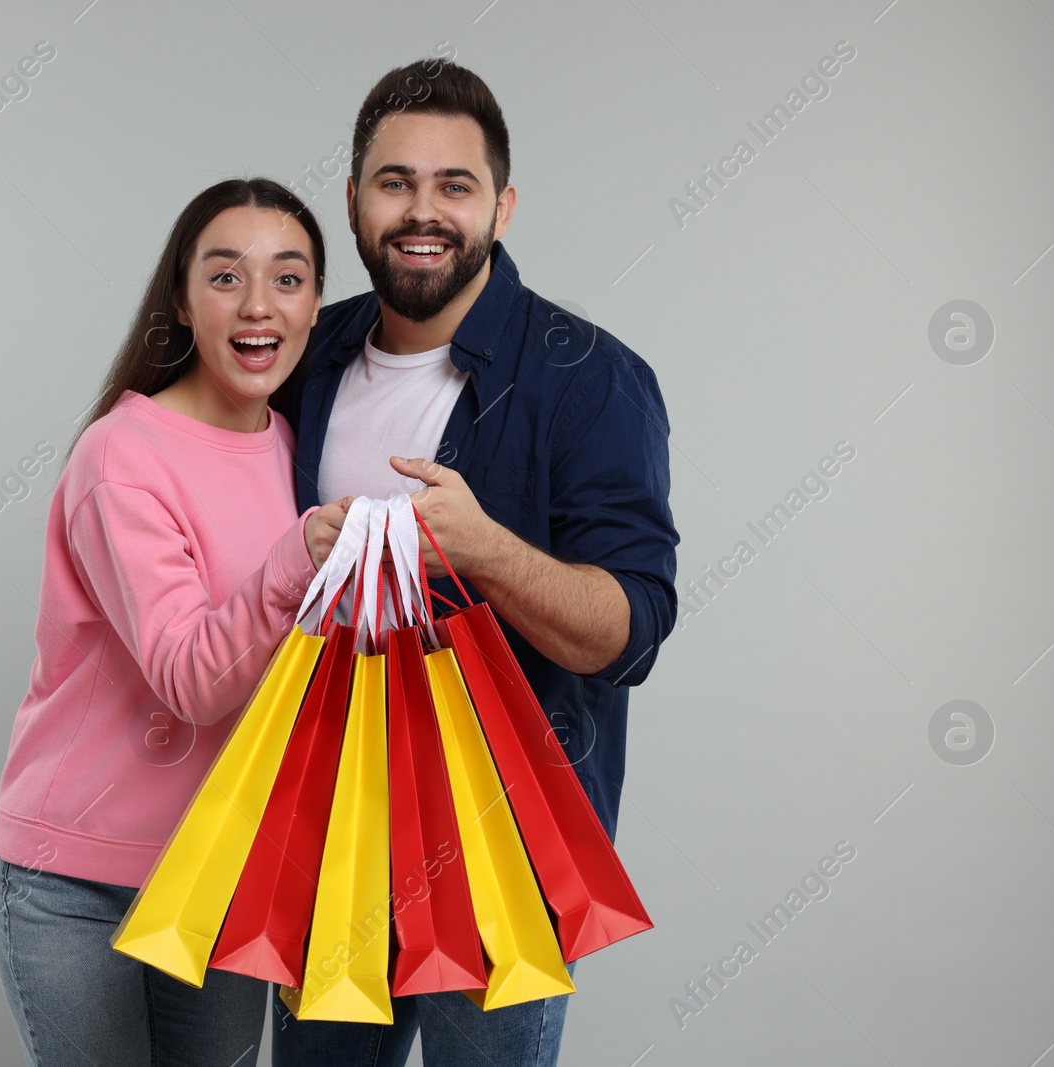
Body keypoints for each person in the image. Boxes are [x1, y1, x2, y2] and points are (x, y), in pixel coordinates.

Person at [269, 61, 681, 1066]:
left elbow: (627, 634)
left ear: (500, 205)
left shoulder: (593, 380)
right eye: (394, 181)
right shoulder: (297, 357)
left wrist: (488, 551)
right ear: (356, 199)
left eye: (453, 185)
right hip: (330, 845)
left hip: (505, 859)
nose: (423, 211)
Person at [0, 177, 353, 1067]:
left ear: (314, 309)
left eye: (289, 279)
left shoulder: (299, 449)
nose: (258, 304)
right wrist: (301, 552)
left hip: (219, 870)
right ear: (182, 303)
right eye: (225, 277)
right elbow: (190, 678)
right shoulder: (124, 455)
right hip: (78, 881)